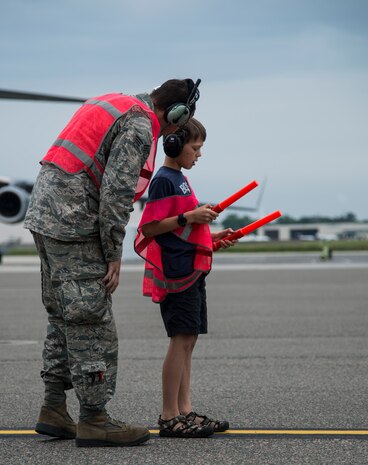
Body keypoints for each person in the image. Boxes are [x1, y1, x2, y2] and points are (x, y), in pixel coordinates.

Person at [23, 78, 201, 447]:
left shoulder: (113, 102)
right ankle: (94, 419)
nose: (170, 135)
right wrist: (113, 253)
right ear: (175, 114)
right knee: (91, 319)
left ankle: (54, 407)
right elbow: (117, 193)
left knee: (64, 314)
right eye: (177, 126)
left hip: (45, 216)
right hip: (74, 223)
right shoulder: (138, 125)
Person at [134, 118, 234, 438]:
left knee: (189, 341)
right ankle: (168, 415)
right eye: (196, 147)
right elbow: (150, 228)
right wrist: (190, 215)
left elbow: (181, 229)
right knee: (180, 341)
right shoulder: (164, 180)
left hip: (191, 269)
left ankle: (185, 411)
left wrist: (213, 236)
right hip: (177, 273)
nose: (199, 154)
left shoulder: (179, 179)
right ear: (175, 145)